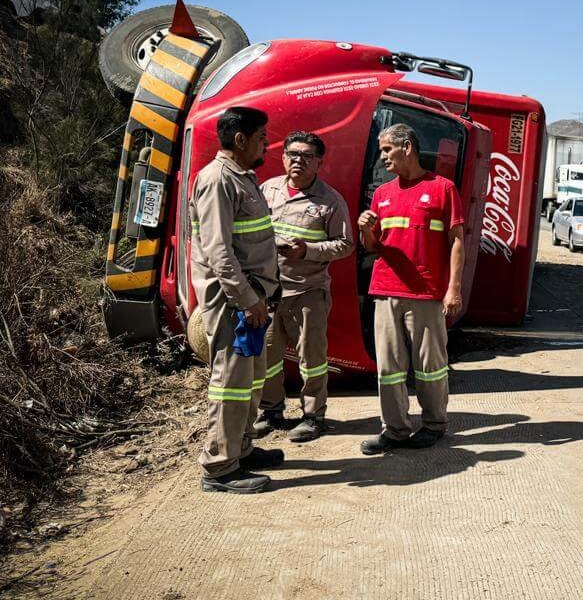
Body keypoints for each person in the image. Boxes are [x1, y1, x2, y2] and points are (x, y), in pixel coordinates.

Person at [356, 123, 465, 453]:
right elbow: (375, 247)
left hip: (426, 293)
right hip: (386, 290)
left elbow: (457, 240)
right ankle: (395, 429)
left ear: (407, 147)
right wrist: (366, 231)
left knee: (430, 367)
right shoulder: (382, 194)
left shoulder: (443, 188)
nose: (382, 156)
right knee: (389, 367)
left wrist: (453, 288)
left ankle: (434, 424)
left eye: (387, 148)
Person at [190, 106, 282, 493]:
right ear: (240, 139)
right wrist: (246, 299)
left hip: (252, 300)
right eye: (262, 136)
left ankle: (241, 448)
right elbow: (218, 251)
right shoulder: (216, 180)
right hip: (234, 303)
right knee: (229, 382)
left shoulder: (242, 177)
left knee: (249, 379)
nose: (267, 143)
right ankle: (220, 467)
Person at [254, 131, 354, 442]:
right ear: (283, 157)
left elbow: (346, 244)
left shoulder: (331, 201)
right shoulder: (267, 189)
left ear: (319, 163)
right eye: (293, 154)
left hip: (307, 290)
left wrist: (307, 251)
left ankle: (313, 416)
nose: (298, 160)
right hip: (268, 291)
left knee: (311, 357)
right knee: (267, 355)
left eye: (307, 156)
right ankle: (271, 411)